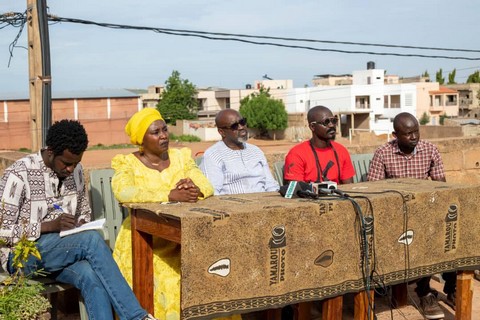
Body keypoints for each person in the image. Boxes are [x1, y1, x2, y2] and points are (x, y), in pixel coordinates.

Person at [0, 119, 157, 320]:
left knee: (91, 274)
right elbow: (3, 233)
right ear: (50, 152)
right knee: (90, 240)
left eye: (76, 163)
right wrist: (48, 226)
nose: (71, 169)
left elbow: (83, 213)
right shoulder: (19, 174)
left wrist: (81, 223)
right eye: (66, 163)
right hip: (22, 257)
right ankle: (136, 316)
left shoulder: (77, 172)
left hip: (64, 252)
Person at [111, 108, 240, 320]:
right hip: (144, 242)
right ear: (141, 140)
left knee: (213, 272)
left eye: (164, 130)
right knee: (170, 279)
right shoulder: (127, 163)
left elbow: (206, 185)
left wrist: (194, 189)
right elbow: (123, 192)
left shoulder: (180, 158)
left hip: (184, 240)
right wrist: (169, 195)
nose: (163, 136)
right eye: (155, 132)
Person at [367, 112, 455, 319]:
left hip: (425, 210)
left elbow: (441, 187)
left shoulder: (430, 149)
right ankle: (424, 292)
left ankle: (452, 288)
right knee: (419, 235)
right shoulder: (383, 153)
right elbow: (374, 192)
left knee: (452, 230)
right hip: (396, 215)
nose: (414, 137)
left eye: (416, 131)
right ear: (395, 135)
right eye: (408, 133)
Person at [199, 109, 279, 195]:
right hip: (233, 206)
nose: (241, 127)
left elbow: (271, 185)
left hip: (264, 204)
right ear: (222, 132)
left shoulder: (256, 151)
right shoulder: (213, 155)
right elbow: (213, 192)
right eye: (234, 126)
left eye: (242, 122)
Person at [284, 105, 355, 185]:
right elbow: (296, 191)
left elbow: (350, 187)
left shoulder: (341, 150)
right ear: (312, 127)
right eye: (326, 122)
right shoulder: (297, 154)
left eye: (334, 121)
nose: (331, 125)